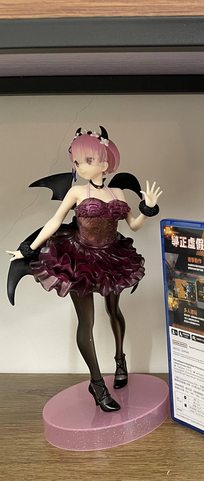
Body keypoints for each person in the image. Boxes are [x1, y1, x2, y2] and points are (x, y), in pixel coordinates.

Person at [7, 127, 162, 412]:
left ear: (105, 162)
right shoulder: (77, 191)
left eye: (87, 160)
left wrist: (147, 209)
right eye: (77, 161)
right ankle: (97, 384)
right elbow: (55, 221)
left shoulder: (118, 191)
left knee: (114, 310)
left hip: (112, 256)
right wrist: (28, 248)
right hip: (77, 258)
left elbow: (134, 225)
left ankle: (120, 361)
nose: (80, 166)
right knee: (86, 322)